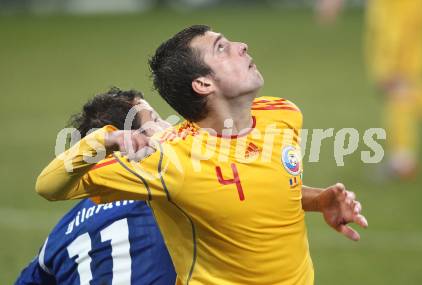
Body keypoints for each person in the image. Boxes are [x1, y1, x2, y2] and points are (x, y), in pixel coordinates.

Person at [36, 25, 367, 284]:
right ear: (203, 84)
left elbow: (253, 193)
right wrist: (107, 138)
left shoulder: (282, 114)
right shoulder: (169, 160)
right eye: (222, 48)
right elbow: (49, 187)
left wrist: (318, 199)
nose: (242, 46)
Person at [17, 87, 176, 285]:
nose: (169, 126)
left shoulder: (61, 232)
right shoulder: (171, 198)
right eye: (156, 119)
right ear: (132, 143)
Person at [316, 0, 422, 178]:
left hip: (403, 13)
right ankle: (402, 158)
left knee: (399, 83)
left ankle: (402, 160)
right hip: (392, 11)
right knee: (398, 85)